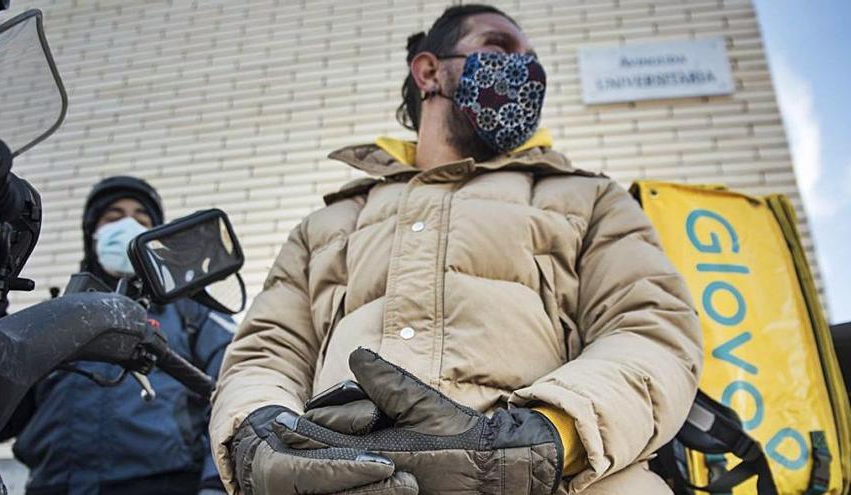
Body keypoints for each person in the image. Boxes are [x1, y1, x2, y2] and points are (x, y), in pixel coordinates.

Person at [211, 5, 703, 495]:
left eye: (531, 58)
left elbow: (651, 331)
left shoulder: (589, 199)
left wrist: (541, 440)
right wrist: (258, 440)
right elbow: (266, 354)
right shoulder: (328, 225)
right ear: (429, 71)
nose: (525, 69)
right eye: (499, 47)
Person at [6, 176, 235, 495]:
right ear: (92, 233)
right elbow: (2, 417)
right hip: (53, 485)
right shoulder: (53, 316)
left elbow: (233, 391)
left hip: (163, 484)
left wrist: (216, 484)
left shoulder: (191, 313)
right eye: (113, 217)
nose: (128, 225)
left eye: (142, 220)